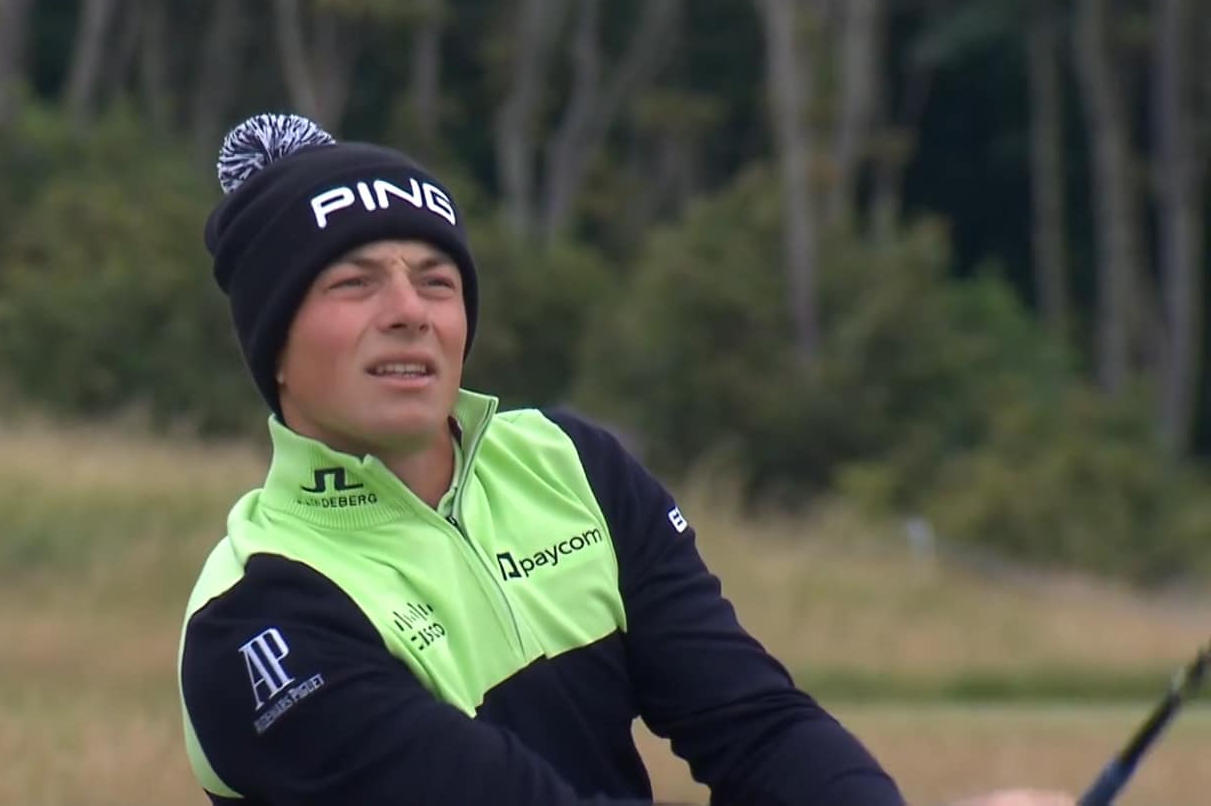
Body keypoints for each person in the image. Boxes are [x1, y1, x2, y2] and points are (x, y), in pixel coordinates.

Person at [176, 114, 1074, 806]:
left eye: (437, 281)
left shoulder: (572, 466)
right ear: (275, 351)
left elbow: (753, 724)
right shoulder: (257, 619)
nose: (410, 311)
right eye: (354, 282)